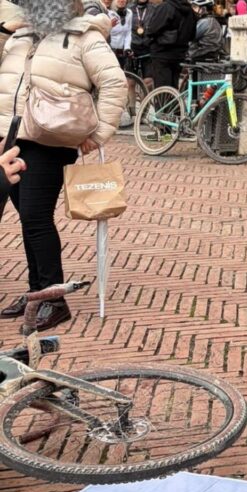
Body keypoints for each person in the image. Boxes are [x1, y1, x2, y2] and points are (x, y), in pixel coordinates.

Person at [0, 1, 127, 332]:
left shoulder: (85, 37)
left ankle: (53, 300)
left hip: (52, 140)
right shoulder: (20, 36)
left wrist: (99, 133)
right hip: (14, 137)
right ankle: (36, 294)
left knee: (35, 217)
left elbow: (115, 83)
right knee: (27, 217)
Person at [145, 0, 195, 89]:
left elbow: (152, 29)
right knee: (174, 86)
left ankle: (164, 103)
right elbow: (192, 34)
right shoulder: (190, 10)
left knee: (162, 89)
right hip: (180, 54)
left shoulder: (166, 7)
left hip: (162, 53)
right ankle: (174, 102)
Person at [129, 0, 152, 81]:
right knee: (130, 82)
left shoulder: (154, 9)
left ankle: (148, 94)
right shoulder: (129, 9)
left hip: (148, 49)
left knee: (148, 81)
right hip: (132, 49)